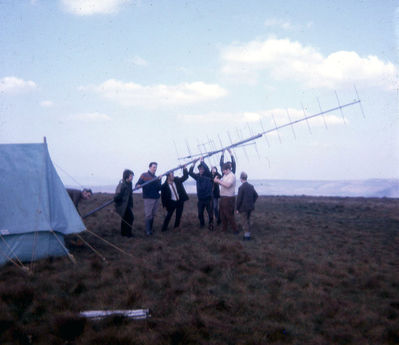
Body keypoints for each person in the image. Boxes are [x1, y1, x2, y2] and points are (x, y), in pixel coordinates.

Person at [136, 162, 162, 236]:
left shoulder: (156, 177)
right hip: (148, 198)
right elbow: (138, 184)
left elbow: (159, 188)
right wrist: (138, 185)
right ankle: (148, 231)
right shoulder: (144, 175)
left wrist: (160, 180)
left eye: (156, 167)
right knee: (148, 215)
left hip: (156, 197)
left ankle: (150, 229)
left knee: (153, 214)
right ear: (150, 167)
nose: (155, 169)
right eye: (154, 167)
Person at [160, 166, 189, 231]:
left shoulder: (177, 180)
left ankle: (176, 227)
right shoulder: (164, 186)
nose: (173, 176)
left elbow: (185, 177)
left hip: (179, 201)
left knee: (179, 215)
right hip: (171, 202)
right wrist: (164, 205)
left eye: (173, 175)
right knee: (169, 215)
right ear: (168, 177)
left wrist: (184, 169)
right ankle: (164, 228)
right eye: (172, 175)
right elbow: (163, 197)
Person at [189, 157, 214, 230]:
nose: (201, 170)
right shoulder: (197, 176)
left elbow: (207, 168)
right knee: (200, 214)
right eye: (200, 169)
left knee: (210, 213)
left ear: (204, 170)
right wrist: (193, 163)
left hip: (208, 198)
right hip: (200, 199)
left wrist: (202, 161)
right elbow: (190, 173)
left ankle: (211, 225)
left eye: (202, 169)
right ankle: (202, 224)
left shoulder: (208, 175)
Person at [214, 162, 237, 233]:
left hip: (229, 198)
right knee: (222, 215)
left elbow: (227, 185)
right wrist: (217, 181)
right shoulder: (225, 175)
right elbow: (222, 183)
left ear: (228, 169)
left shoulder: (232, 176)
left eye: (223, 170)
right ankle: (224, 229)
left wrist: (218, 181)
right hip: (223, 197)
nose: (223, 172)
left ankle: (235, 230)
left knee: (229, 215)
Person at [236, 172, 258, 240]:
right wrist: (252, 202)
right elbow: (256, 195)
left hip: (243, 208)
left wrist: (237, 208)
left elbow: (239, 199)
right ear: (246, 178)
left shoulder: (241, 188)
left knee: (244, 221)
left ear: (241, 178)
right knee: (248, 220)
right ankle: (247, 234)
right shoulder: (251, 186)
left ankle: (247, 236)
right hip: (251, 207)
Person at [114, 169, 134, 237]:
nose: (132, 177)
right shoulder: (122, 185)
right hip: (122, 205)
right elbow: (116, 197)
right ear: (126, 176)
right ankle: (128, 234)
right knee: (130, 218)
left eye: (132, 176)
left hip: (127, 205)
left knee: (125, 219)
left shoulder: (130, 184)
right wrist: (122, 201)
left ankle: (124, 234)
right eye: (131, 176)